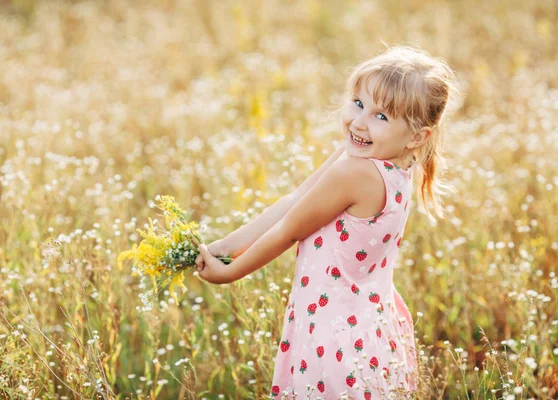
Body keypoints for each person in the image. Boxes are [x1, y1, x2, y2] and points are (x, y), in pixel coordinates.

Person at [196, 44, 460, 399]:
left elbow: (290, 229)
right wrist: (224, 247)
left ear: (417, 136)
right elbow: (297, 200)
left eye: (382, 117)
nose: (359, 122)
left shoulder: (357, 171)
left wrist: (230, 272)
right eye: (358, 103)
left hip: (334, 338)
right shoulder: (390, 160)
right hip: (370, 328)